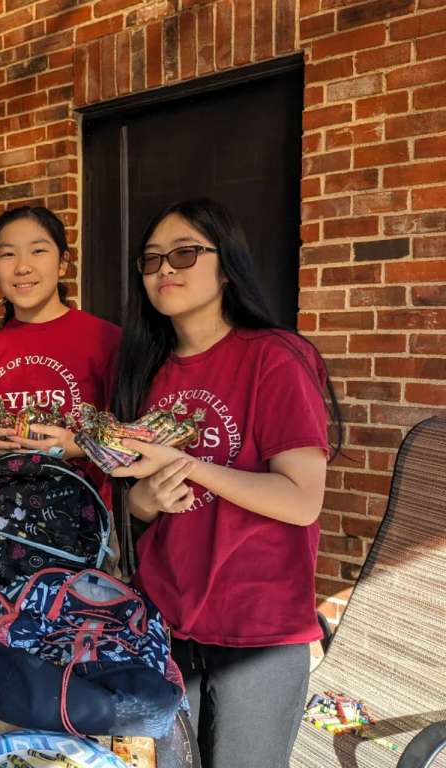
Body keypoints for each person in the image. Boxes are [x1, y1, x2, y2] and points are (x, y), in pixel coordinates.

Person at [110, 198, 342, 768]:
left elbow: (301, 500)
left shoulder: (276, 358)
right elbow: (139, 507)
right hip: (167, 614)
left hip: (257, 624)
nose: (165, 269)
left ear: (227, 265)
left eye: (185, 253)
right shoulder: (150, 369)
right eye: (152, 259)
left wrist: (184, 463)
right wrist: (145, 496)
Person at [0, 205, 121, 463]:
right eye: (8, 254)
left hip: (83, 497)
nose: (23, 267)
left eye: (38, 251)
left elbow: (132, 436)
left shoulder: (105, 338)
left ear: (63, 263)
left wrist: (79, 445)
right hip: (4, 499)